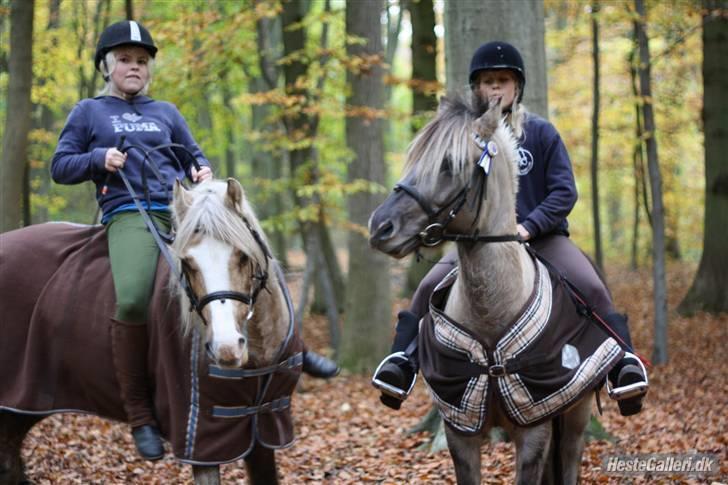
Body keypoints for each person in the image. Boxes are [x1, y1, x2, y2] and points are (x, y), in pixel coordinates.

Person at [51, 20, 339, 461]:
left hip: (183, 211)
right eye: (125, 60)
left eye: (142, 61)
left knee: (250, 251)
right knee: (131, 297)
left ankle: (296, 349)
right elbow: (60, 166)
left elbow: (193, 154)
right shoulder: (89, 112)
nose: (134, 67)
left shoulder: (166, 112)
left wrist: (201, 171)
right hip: (130, 213)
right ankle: (140, 412)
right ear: (106, 65)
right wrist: (97, 158)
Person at [372, 40, 648, 417]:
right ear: (476, 88)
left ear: (517, 86)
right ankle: (401, 362)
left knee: (591, 285)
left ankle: (624, 364)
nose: (495, 88)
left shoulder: (540, 132)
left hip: (544, 239)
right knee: (424, 289)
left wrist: (530, 227)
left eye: (503, 80)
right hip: (481, 242)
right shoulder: (462, 140)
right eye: (487, 81)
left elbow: (564, 191)